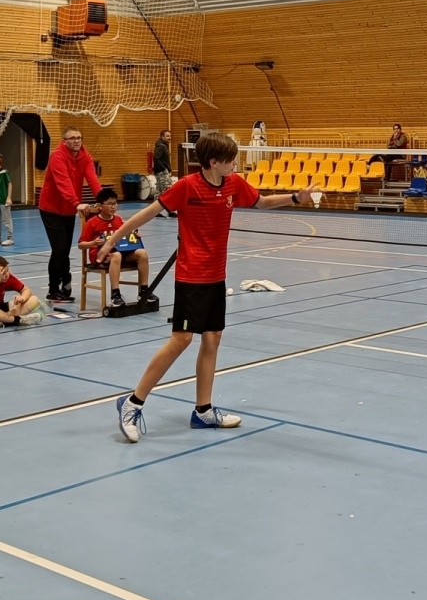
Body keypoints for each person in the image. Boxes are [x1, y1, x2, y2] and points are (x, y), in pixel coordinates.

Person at [100, 130, 322, 443]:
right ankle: (132, 403)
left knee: (213, 338)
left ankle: (203, 410)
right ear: (214, 162)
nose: (235, 164)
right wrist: (111, 240)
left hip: (217, 276)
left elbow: (262, 202)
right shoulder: (186, 187)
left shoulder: (233, 184)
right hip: (191, 278)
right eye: (231, 160)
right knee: (181, 340)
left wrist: (296, 198)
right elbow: (145, 215)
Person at [38, 126, 103, 304]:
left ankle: (62, 288)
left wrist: (103, 200)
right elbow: (63, 182)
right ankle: (55, 288)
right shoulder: (57, 157)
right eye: (72, 138)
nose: (76, 141)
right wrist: (76, 203)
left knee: (63, 250)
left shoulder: (85, 156)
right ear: (64, 141)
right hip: (51, 209)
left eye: (79, 137)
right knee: (59, 249)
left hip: (68, 211)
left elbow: (92, 178)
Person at [80, 187, 154, 310]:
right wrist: (93, 243)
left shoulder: (119, 220)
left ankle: (144, 291)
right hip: (100, 256)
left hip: (122, 252)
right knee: (116, 255)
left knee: (142, 253)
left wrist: (135, 235)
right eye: (110, 204)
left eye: (115, 204)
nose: (113, 207)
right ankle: (115, 294)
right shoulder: (92, 223)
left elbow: (127, 235)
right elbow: (81, 244)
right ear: (100, 206)